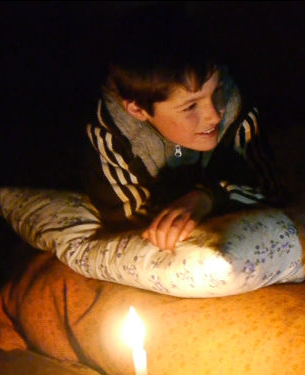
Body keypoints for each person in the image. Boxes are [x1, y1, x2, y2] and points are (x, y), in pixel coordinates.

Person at [80, 5, 283, 251]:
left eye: (216, 91)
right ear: (138, 110)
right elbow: (126, 224)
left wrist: (207, 198)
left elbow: (270, 192)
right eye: (190, 107)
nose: (214, 115)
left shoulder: (235, 111)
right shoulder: (114, 139)